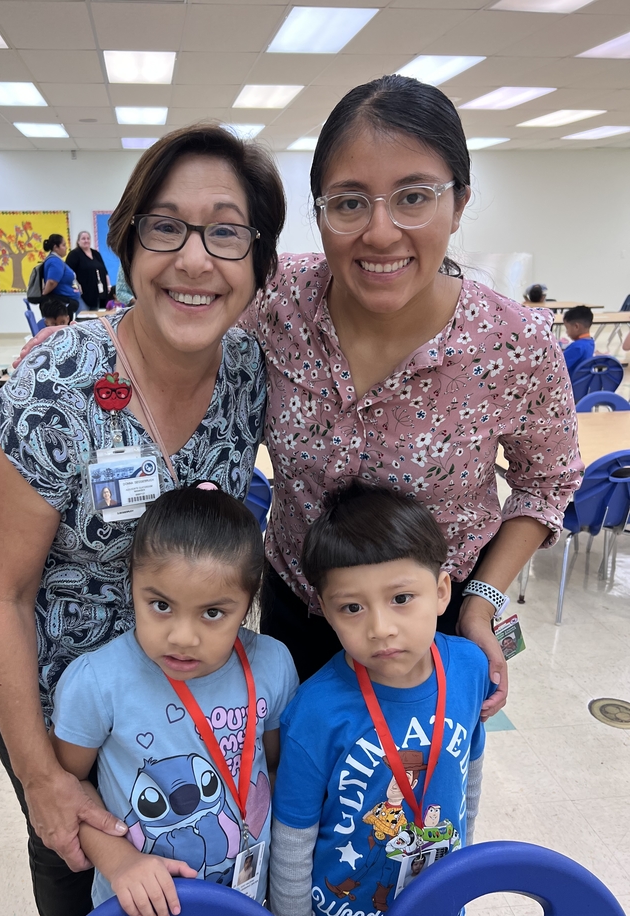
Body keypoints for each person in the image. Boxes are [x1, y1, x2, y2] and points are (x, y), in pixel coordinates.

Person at [0, 124, 285, 916]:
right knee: (73, 850)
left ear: (259, 261)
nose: (193, 259)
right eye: (166, 226)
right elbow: (2, 593)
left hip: (186, 672)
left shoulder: (248, 371)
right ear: (127, 242)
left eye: (226, 231)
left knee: (182, 853)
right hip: (54, 692)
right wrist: (41, 778)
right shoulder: (58, 378)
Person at [239, 75, 582, 716]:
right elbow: (181, 322)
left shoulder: (512, 342)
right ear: (319, 213)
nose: (380, 232)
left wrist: (484, 601)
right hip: (299, 618)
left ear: (459, 205)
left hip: (437, 629)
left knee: (418, 807)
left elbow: (550, 482)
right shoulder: (276, 300)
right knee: (297, 800)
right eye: (348, 203)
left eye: (413, 197)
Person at [50, 485, 298, 916]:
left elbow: (274, 772)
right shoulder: (98, 682)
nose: (182, 636)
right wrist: (120, 863)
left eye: (213, 612)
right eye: (160, 605)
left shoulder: (272, 663)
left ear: (248, 603)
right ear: (132, 587)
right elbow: (67, 793)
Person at [269, 482, 492, 916]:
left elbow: (471, 767)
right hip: (335, 910)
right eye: (352, 607)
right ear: (323, 609)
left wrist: (461, 856)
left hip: (428, 892)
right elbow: (293, 832)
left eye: (401, 598)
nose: (381, 628)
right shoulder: (316, 710)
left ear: (442, 592)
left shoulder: (467, 668)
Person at [66, 230, 110, 310]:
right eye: (83, 239)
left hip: (99, 293)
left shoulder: (96, 254)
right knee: (85, 318)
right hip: (84, 295)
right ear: (78, 241)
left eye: (88, 238)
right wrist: (76, 285)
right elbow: (68, 273)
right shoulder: (74, 254)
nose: (86, 241)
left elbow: (105, 271)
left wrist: (108, 285)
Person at [41, 233, 81, 319]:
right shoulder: (55, 261)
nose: (66, 247)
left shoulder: (57, 260)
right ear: (56, 247)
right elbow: (52, 282)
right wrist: (44, 295)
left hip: (65, 304)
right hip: (62, 305)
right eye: (63, 245)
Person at [561, 306, 595, 373]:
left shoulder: (577, 347)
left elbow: (559, 367)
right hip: (582, 382)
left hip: (569, 381)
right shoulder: (591, 342)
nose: (566, 332)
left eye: (567, 328)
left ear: (576, 326)